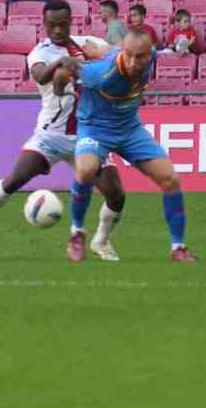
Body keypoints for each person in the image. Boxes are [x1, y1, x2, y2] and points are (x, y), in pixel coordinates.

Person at [0, 0, 128, 256]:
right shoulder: (40, 52)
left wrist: (104, 55)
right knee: (16, 177)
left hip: (88, 135)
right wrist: (62, 63)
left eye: (62, 24)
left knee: (116, 194)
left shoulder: (87, 43)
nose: (57, 30)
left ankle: (100, 239)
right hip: (50, 135)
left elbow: (122, 57)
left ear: (70, 21)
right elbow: (42, 75)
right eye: (52, 25)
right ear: (44, 25)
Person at [66, 31, 195, 262]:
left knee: (171, 179)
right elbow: (70, 69)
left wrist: (100, 50)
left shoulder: (149, 55)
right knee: (85, 170)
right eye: (129, 55)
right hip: (95, 127)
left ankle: (178, 248)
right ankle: (76, 233)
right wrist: (69, 58)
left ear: (150, 54)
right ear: (124, 52)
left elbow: (116, 48)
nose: (135, 62)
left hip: (130, 129)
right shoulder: (101, 74)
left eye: (141, 57)